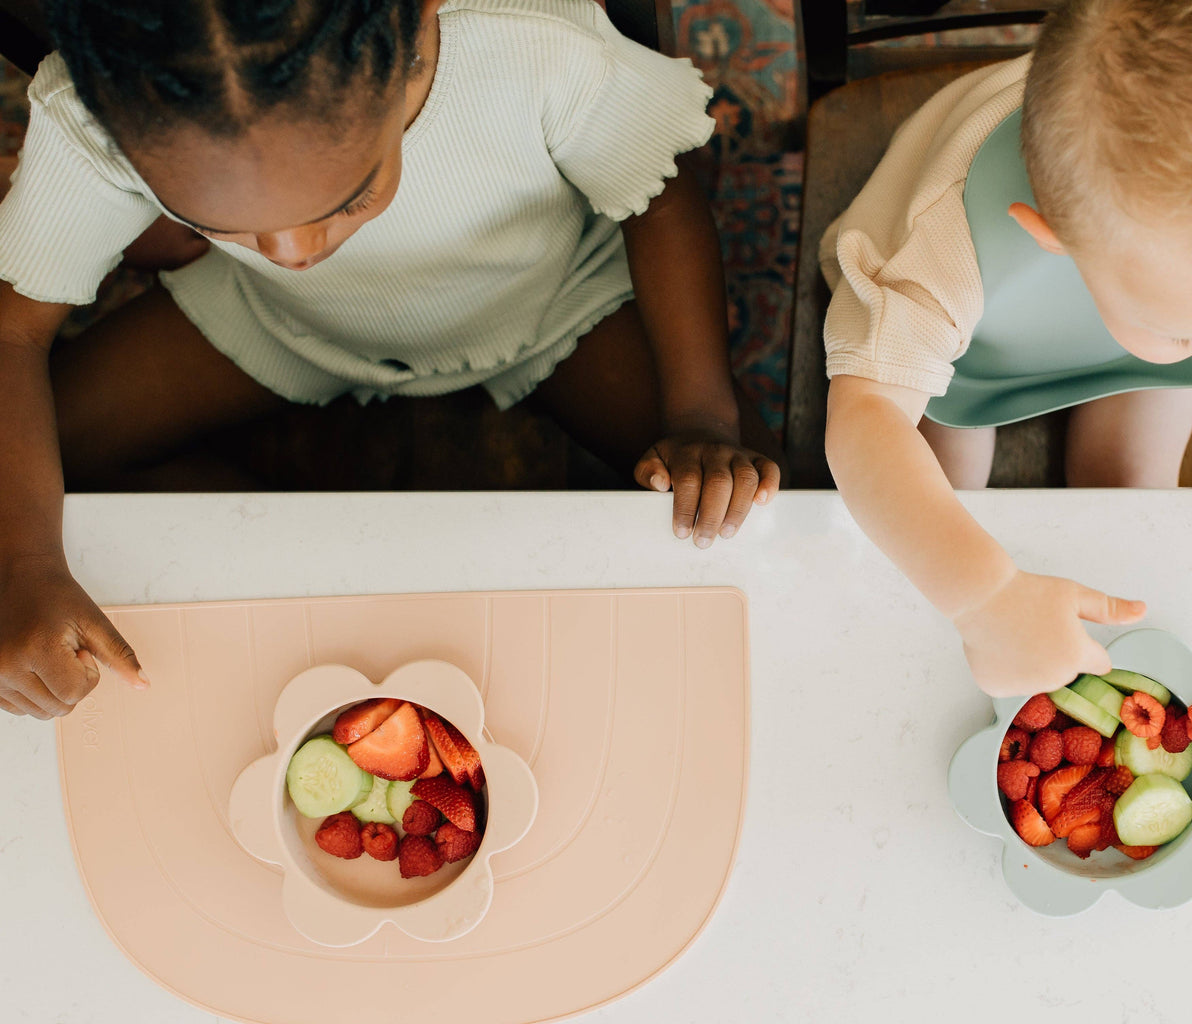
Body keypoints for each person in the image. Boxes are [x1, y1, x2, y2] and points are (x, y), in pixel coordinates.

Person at [0, 0, 783, 720]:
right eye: (222, 221)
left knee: (744, 509)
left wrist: (698, 416)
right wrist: (26, 559)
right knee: (30, 476)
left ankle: (289, 552)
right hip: (278, 323)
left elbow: (657, 192)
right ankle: (292, 557)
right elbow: (14, 333)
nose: (293, 252)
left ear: (414, 38)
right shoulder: (97, 113)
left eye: (346, 200)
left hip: (550, 304)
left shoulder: (532, 41)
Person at [820, 0, 1192, 696]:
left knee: (1130, 501)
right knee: (945, 501)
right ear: (1048, 235)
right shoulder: (941, 240)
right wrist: (982, 598)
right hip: (968, 358)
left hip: (1124, 348)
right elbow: (863, 420)